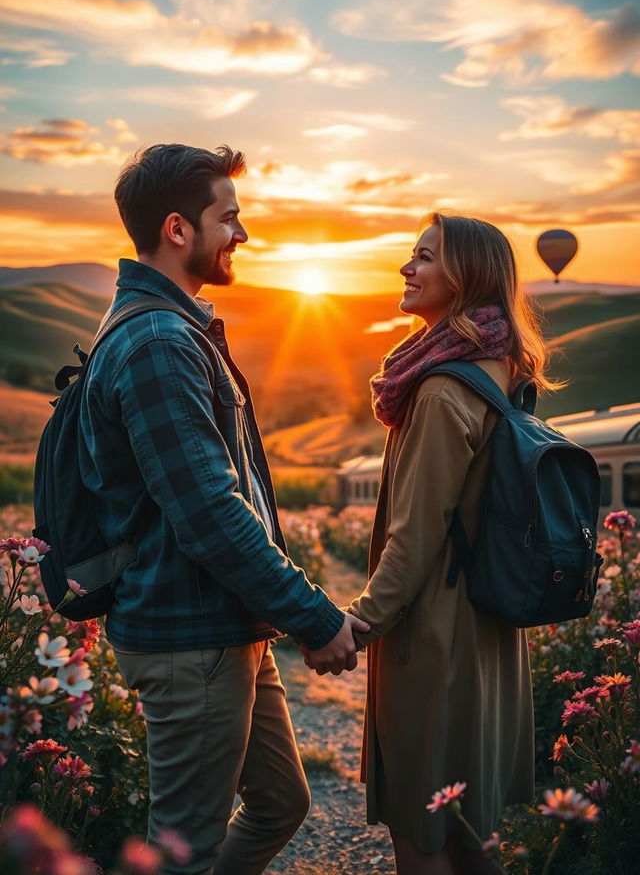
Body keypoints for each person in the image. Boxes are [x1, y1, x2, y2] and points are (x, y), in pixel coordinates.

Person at [78, 143, 369, 875]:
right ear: (179, 230)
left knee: (281, 804)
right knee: (185, 850)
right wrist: (315, 616)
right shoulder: (157, 343)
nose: (242, 235)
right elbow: (210, 509)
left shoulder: (171, 328)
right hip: (189, 640)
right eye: (229, 218)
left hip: (222, 623)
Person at [344, 212, 552, 875]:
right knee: (470, 828)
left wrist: (358, 623)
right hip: (490, 627)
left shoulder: (438, 389)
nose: (407, 267)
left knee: (423, 828)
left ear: (464, 278)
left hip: (436, 635)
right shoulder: (500, 372)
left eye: (425, 257)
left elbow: (415, 536)